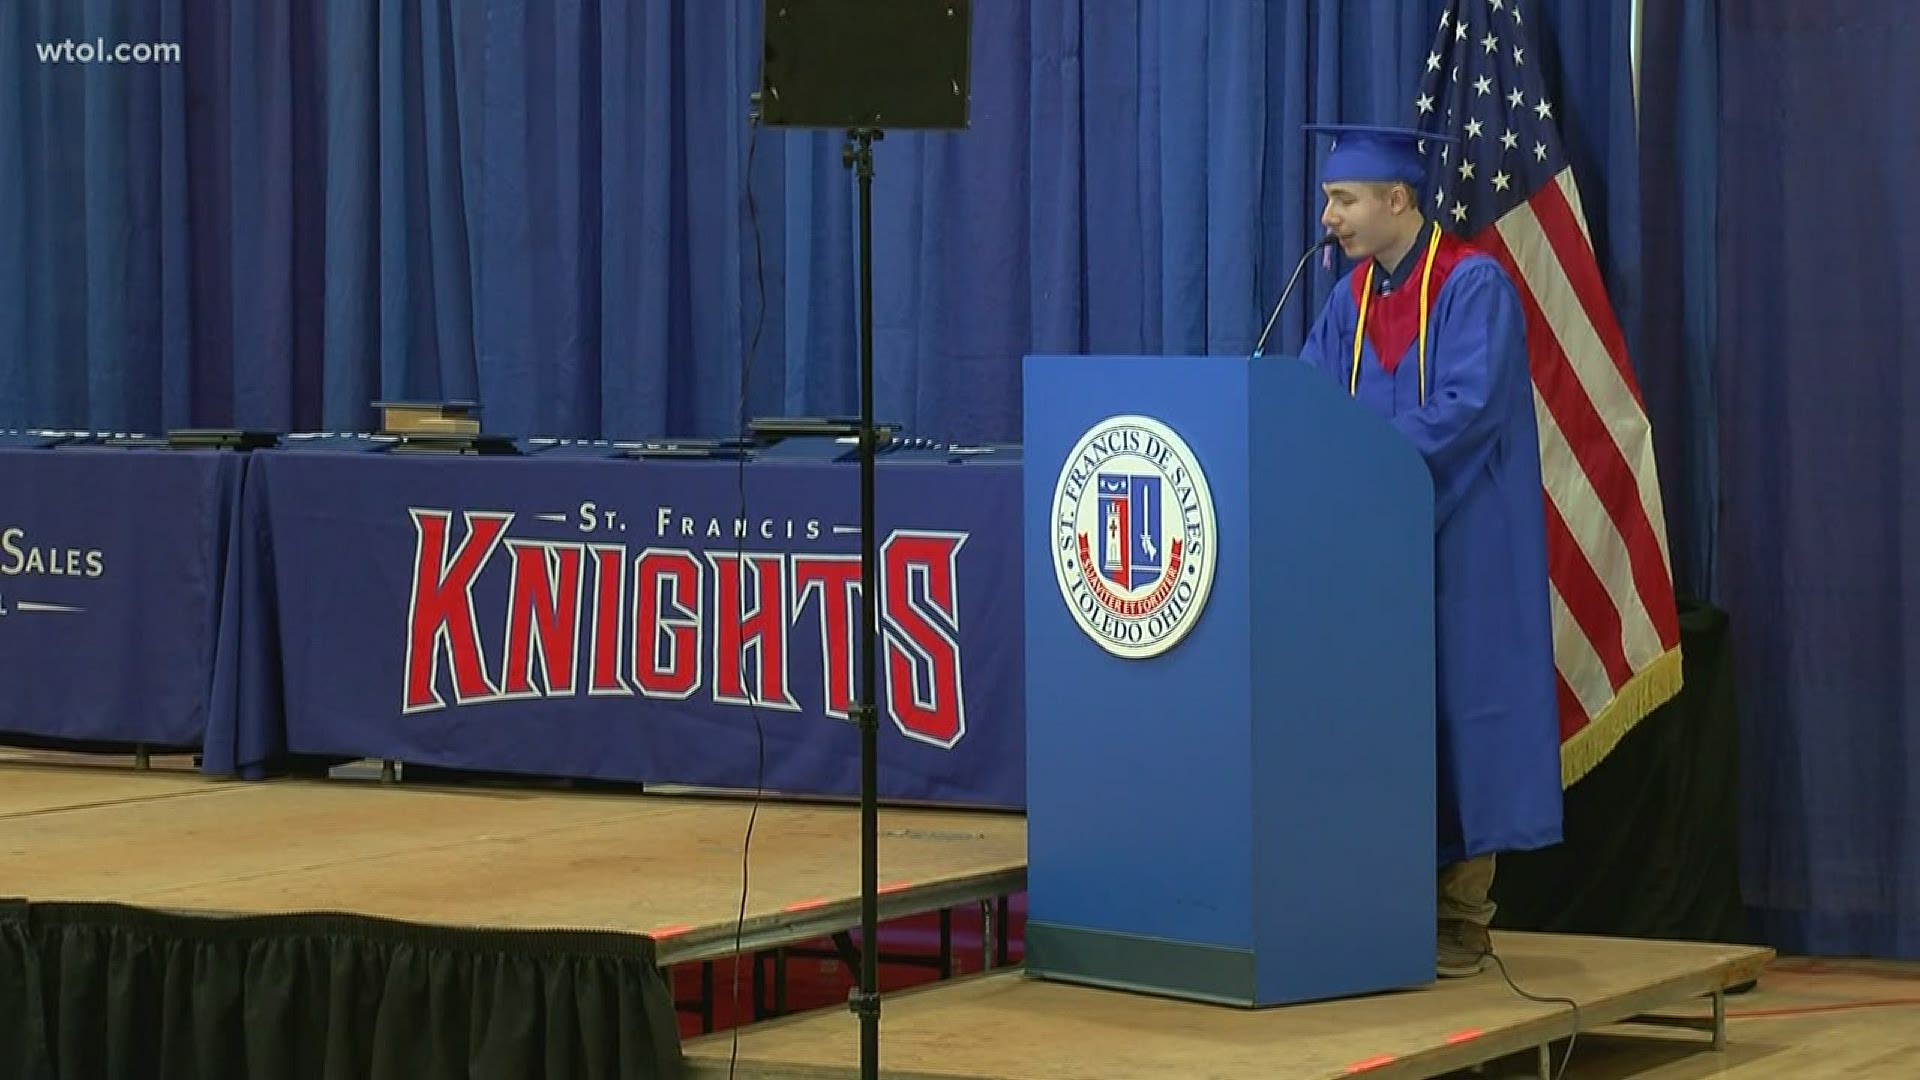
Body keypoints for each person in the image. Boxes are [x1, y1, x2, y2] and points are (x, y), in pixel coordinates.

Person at [1295, 124, 1563, 978]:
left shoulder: (1471, 284)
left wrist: (1363, 466)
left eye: (1344, 200)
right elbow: (1305, 397)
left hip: (1463, 543)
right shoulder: (1351, 300)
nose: (1328, 216)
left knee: (1464, 712)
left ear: (1397, 199)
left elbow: (1467, 406)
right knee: (1382, 714)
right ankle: (1382, 898)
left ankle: (1462, 913)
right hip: (1373, 547)